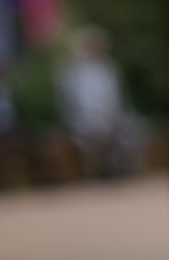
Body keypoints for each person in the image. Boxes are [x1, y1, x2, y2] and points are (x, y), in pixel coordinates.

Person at [56, 26, 145, 178]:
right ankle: (103, 173)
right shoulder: (73, 72)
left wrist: (114, 115)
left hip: (111, 118)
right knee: (99, 134)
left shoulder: (110, 69)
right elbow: (75, 104)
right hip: (86, 120)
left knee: (137, 129)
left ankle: (127, 172)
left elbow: (117, 99)